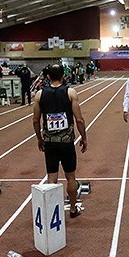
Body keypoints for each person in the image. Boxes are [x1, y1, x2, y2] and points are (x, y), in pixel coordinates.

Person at [32, 63, 88, 218]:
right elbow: (79, 119)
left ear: (48, 76)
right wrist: (84, 137)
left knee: (52, 177)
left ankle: (51, 212)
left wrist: (39, 139)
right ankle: (72, 209)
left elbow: (36, 121)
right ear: (64, 75)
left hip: (49, 142)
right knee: (71, 176)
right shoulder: (70, 93)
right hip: (66, 142)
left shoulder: (40, 94)